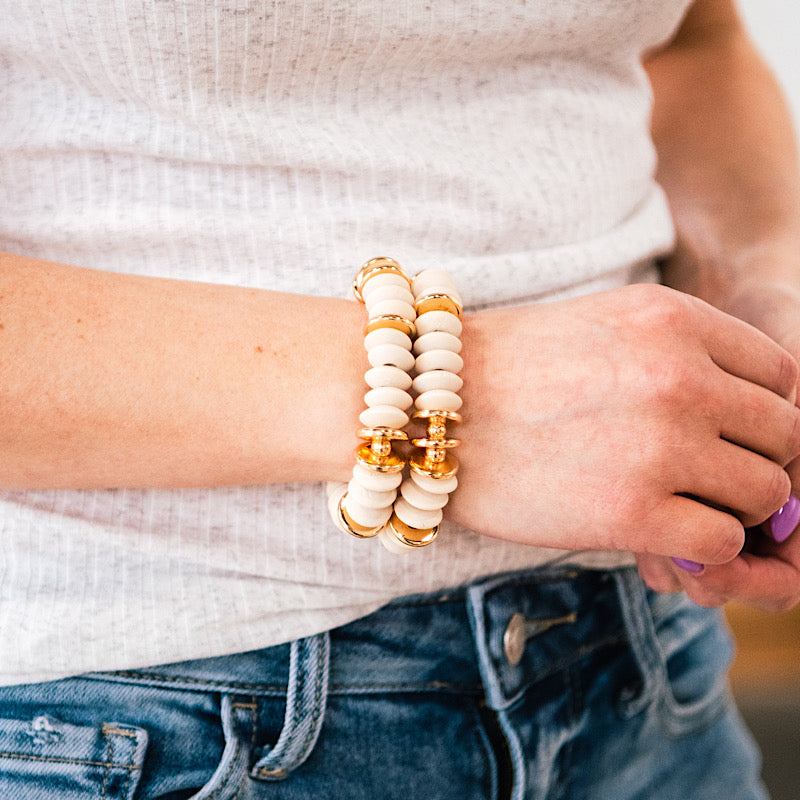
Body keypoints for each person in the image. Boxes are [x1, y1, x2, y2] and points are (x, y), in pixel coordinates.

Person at [0, 0, 798, 797]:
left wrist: (759, 286)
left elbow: (693, 43)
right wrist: (465, 403)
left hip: (649, 663)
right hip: (144, 716)